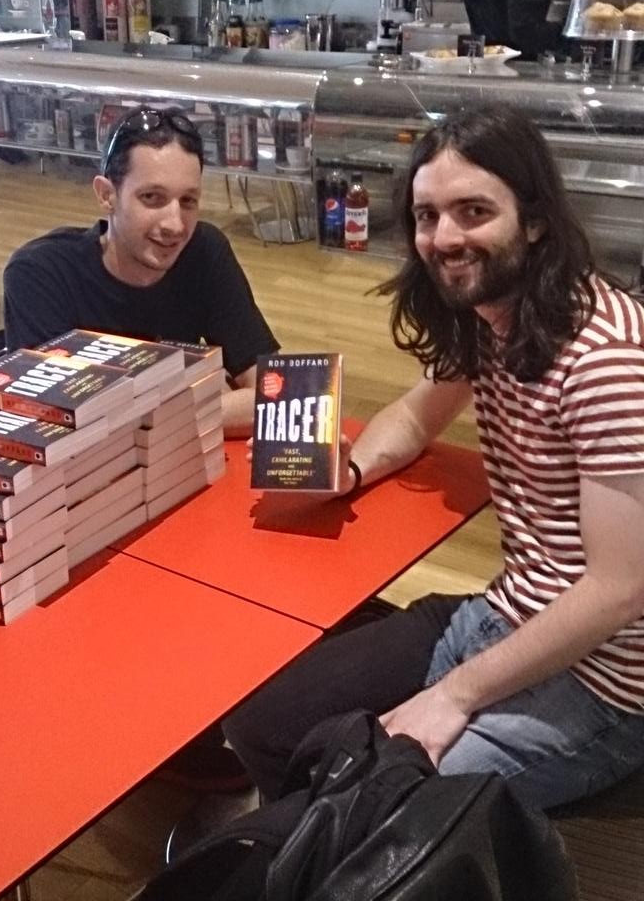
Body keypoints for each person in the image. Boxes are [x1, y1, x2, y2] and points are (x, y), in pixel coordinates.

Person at [223, 104, 644, 811]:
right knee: (261, 723)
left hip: (607, 684)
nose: (444, 237)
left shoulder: (605, 364)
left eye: (473, 211)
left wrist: (454, 695)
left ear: (535, 220)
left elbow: (620, 590)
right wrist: (348, 472)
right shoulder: (500, 312)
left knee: (365, 810)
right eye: (427, 216)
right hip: (510, 614)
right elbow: (418, 416)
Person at [3, 106, 279, 438]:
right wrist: (208, 400)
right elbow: (57, 428)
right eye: (152, 198)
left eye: (188, 201)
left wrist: (157, 413)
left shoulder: (204, 250)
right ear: (107, 195)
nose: (175, 225)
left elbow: (277, 394)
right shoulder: (40, 274)